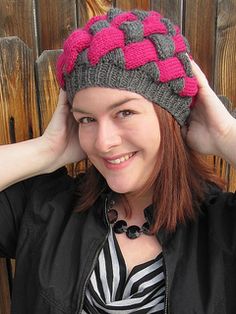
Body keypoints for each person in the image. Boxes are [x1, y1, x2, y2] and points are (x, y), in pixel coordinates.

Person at [0, 7, 236, 314]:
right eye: (87, 119)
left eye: (124, 112)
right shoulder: (44, 208)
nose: (103, 142)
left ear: (168, 117)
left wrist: (225, 133)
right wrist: (47, 149)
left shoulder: (223, 231)